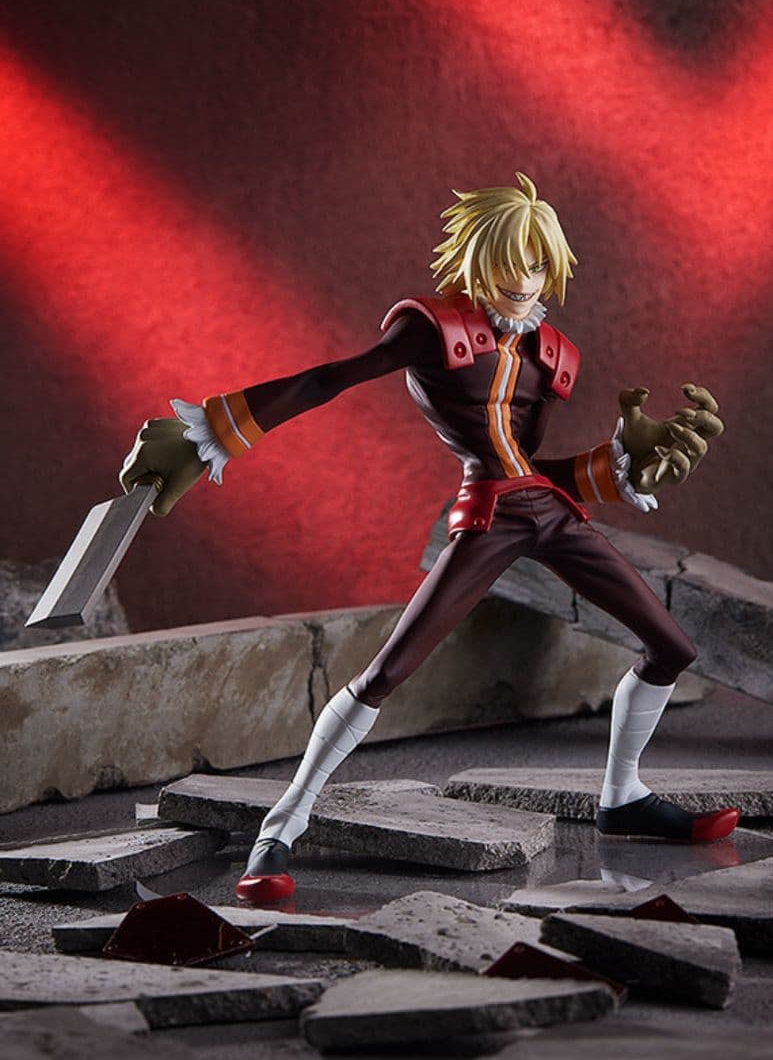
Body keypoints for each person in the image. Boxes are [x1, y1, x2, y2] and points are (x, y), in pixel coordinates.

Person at [121, 173, 736, 905]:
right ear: (478, 259)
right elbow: (331, 378)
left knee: (672, 648)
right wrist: (217, 432)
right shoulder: (432, 329)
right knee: (386, 672)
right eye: (508, 261)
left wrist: (620, 462)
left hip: (547, 512)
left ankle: (622, 796)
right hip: (489, 518)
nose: (522, 278)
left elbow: (531, 465)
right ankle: (281, 827)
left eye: (536, 262)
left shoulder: (550, 353)